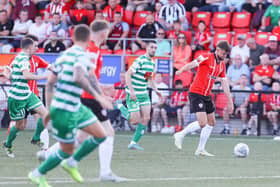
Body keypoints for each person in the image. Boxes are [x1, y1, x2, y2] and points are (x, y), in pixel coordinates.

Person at [36, 20, 125, 182]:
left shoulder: (87, 50)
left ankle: (48, 155)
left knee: (82, 136)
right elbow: (86, 76)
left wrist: (102, 91)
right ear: (104, 33)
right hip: (88, 97)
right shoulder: (91, 50)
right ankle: (103, 171)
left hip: (83, 97)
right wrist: (100, 95)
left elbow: (88, 76)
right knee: (106, 133)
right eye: (108, 32)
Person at [173, 40, 233, 156]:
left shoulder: (221, 66)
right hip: (196, 93)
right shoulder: (206, 57)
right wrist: (181, 70)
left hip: (206, 95)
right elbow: (192, 64)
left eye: (226, 54)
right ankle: (181, 134)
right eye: (224, 53)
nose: (225, 56)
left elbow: (225, 83)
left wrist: (229, 101)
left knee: (211, 122)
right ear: (218, 50)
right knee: (202, 123)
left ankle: (200, 149)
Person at [2, 37, 49, 158]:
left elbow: (8, 70)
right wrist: (43, 77)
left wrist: (7, 74)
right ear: (29, 48)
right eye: (35, 46)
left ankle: (36, 138)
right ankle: (8, 144)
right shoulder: (23, 59)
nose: (37, 48)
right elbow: (27, 75)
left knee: (46, 114)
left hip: (28, 94)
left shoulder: (23, 57)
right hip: (17, 97)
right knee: (20, 126)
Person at [116, 40, 163, 150]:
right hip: (134, 93)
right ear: (147, 48)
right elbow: (128, 74)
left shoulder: (152, 63)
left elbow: (149, 77)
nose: (154, 49)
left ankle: (133, 143)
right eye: (152, 47)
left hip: (143, 93)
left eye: (155, 48)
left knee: (146, 118)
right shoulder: (140, 60)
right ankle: (119, 106)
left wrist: (156, 90)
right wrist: (132, 91)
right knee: (134, 121)